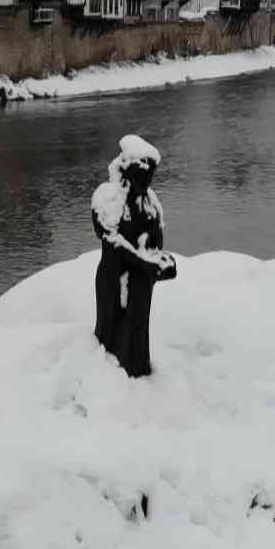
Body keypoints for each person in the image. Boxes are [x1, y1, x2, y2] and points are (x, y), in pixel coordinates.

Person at [90, 135, 177, 377]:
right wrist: (144, 262)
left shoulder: (151, 203)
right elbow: (111, 242)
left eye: (150, 176)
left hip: (140, 281)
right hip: (113, 278)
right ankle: (110, 379)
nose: (147, 182)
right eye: (142, 176)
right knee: (112, 333)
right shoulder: (107, 198)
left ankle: (139, 376)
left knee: (137, 333)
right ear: (129, 171)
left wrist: (163, 261)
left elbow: (156, 241)